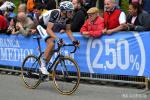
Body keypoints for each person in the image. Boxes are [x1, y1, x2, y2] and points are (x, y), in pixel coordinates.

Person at [33, 1, 79, 75]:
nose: (72, 13)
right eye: (70, 11)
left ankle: (43, 71)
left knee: (52, 49)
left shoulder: (67, 17)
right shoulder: (56, 13)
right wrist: (57, 38)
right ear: (64, 11)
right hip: (41, 26)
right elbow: (48, 29)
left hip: (48, 28)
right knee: (51, 43)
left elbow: (68, 30)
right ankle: (42, 65)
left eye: (72, 11)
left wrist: (74, 41)